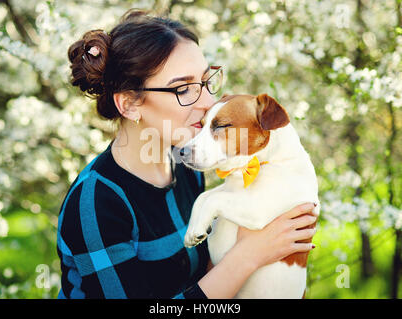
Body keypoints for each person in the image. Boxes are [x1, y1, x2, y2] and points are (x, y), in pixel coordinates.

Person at [56, 8, 317, 299]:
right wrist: (249, 257)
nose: (207, 102)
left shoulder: (187, 166)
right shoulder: (96, 202)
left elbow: (203, 273)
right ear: (129, 105)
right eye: (183, 89)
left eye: (206, 82)